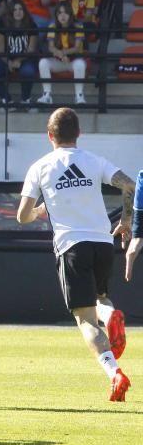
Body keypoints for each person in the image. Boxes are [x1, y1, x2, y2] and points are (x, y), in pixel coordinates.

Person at [17, 107, 133, 402]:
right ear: (78, 133)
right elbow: (130, 185)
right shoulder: (93, 161)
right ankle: (109, 312)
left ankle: (114, 373)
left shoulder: (40, 167)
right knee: (100, 300)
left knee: (85, 321)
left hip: (72, 247)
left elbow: (21, 216)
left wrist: (41, 209)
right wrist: (127, 220)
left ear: (49, 136)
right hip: (103, 243)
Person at [0, 0, 38, 109]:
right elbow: (0, 50)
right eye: (15, 10)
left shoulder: (31, 25)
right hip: (6, 59)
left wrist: (19, 60)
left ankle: (26, 100)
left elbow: (31, 50)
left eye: (21, 9)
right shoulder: (2, 25)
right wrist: (9, 62)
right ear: (10, 12)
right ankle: (7, 101)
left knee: (28, 71)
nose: (18, 12)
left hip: (25, 59)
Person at [38, 1, 87, 106]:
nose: (63, 16)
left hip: (72, 61)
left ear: (70, 14)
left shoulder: (78, 26)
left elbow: (77, 48)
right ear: (56, 15)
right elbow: (51, 47)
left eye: (66, 13)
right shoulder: (52, 26)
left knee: (80, 64)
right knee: (43, 62)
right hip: (58, 60)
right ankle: (47, 95)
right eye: (59, 13)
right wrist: (60, 54)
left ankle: (79, 95)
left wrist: (64, 53)